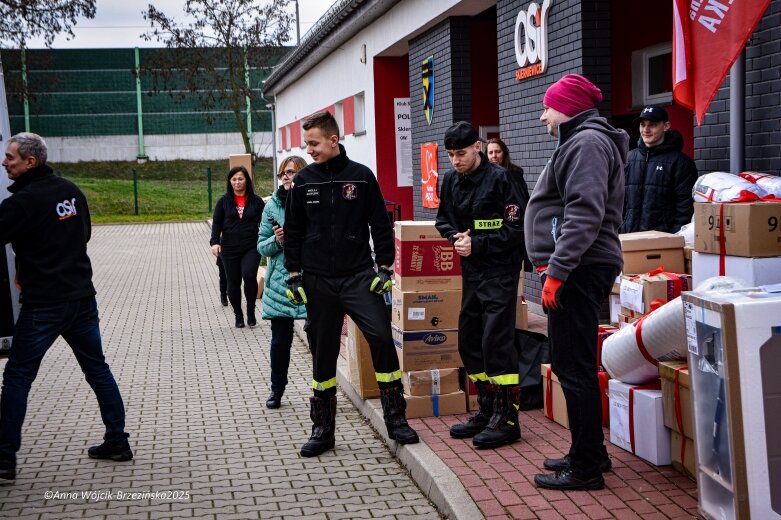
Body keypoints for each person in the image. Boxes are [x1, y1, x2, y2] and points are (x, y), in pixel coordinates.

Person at [283, 111, 419, 457]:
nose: (308, 149)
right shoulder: (304, 181)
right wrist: (294, 273)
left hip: (359, 277)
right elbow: (294, 230)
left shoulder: (361, 177)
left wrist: (385, 268)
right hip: (318, 282)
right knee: (323, 354)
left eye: (313, 143)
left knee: (381, 339)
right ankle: (322, 430)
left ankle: (396, 420)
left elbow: (380, 224)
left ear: (333, 140)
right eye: (306, 143)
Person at [0, 133, 133, 484]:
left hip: (43, 305)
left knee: (16, 377)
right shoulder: (71, 191)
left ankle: (4, 460)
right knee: (98, 370)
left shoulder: (21, 203)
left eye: (10, 157)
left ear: (31, 162)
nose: (4, 162)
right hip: (81, 300)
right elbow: (84, 234)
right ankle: (117, 441)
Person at [525, 74, 627, 490]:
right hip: (578, 269)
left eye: (548, 106)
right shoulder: (580, 141)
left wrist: (559, 272)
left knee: (573, 365)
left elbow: (584, 213)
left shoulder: (585, 143)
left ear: (567, 106)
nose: (543, 114)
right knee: (574, 362)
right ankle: (591, 453)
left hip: (579, 270)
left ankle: (585, 467)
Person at [435, 122, 528, 449]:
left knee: (496, 342)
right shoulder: (450, 180)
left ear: (478, 146)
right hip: (472, 272)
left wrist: (480, 244)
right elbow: (442, 219)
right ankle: (486, 410)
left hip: (501, 271)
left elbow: (518, 230)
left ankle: (507, 419)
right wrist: (454, 237)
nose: (455, 160)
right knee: (470, 340)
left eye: (460, 153)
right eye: (449, 155)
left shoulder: (503, 180)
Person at [257, 155, 308, 409]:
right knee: (279, 343)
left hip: (310, 281)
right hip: (280, 284)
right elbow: (261, 247)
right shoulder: (272, 206)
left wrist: (297, 238)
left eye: (293, 173)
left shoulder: (313, 200)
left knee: (321, 341)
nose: (288, 178)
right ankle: (277, 390)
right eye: (284, 173)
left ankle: (323, 390)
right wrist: (278, 241)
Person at [620, 105, 698, 234]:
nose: (646, 130)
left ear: (666, 126)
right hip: (627, 238)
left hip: (662, 243)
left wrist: (673, 238)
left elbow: (685, 208)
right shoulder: (628, 159)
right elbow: (617, 200)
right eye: (642, 125)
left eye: (652, 125)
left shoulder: (681, 163)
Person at [210, 166, 265, 328]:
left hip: (251, 246)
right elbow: (217, 223)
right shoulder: (223, 201)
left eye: (240, 179)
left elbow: (266, 222)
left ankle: (250, 311)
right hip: (229, 248)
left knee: (249, 275)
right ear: (230, 182)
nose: (237, 182)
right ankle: (238, 315)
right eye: (234, 179)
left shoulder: (256, 201)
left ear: (247, 180)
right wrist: (214, 242)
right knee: (233, 282)